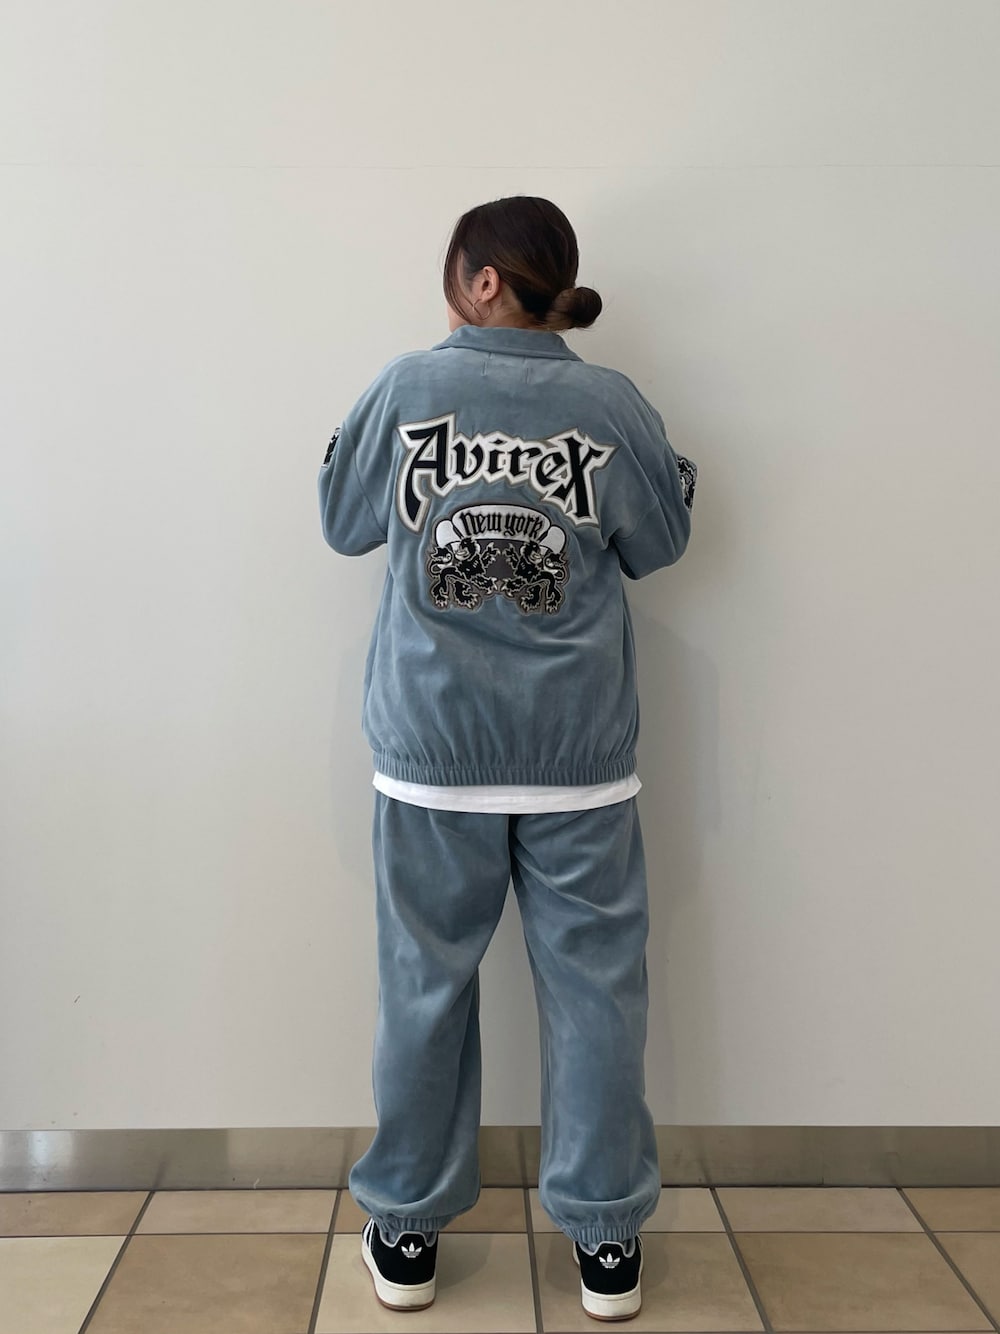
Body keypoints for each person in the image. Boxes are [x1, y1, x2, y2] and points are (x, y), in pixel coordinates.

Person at [317, 196, 696, 1322]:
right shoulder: (608, 402)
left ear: (483, 280)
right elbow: (663, 540)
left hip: (434, 753)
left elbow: (341, 518)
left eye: (453, 272)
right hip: (577, 757)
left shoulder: (406, 389)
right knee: (596, 997)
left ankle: (407, 1228)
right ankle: (606, 1242)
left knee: (422, 990)